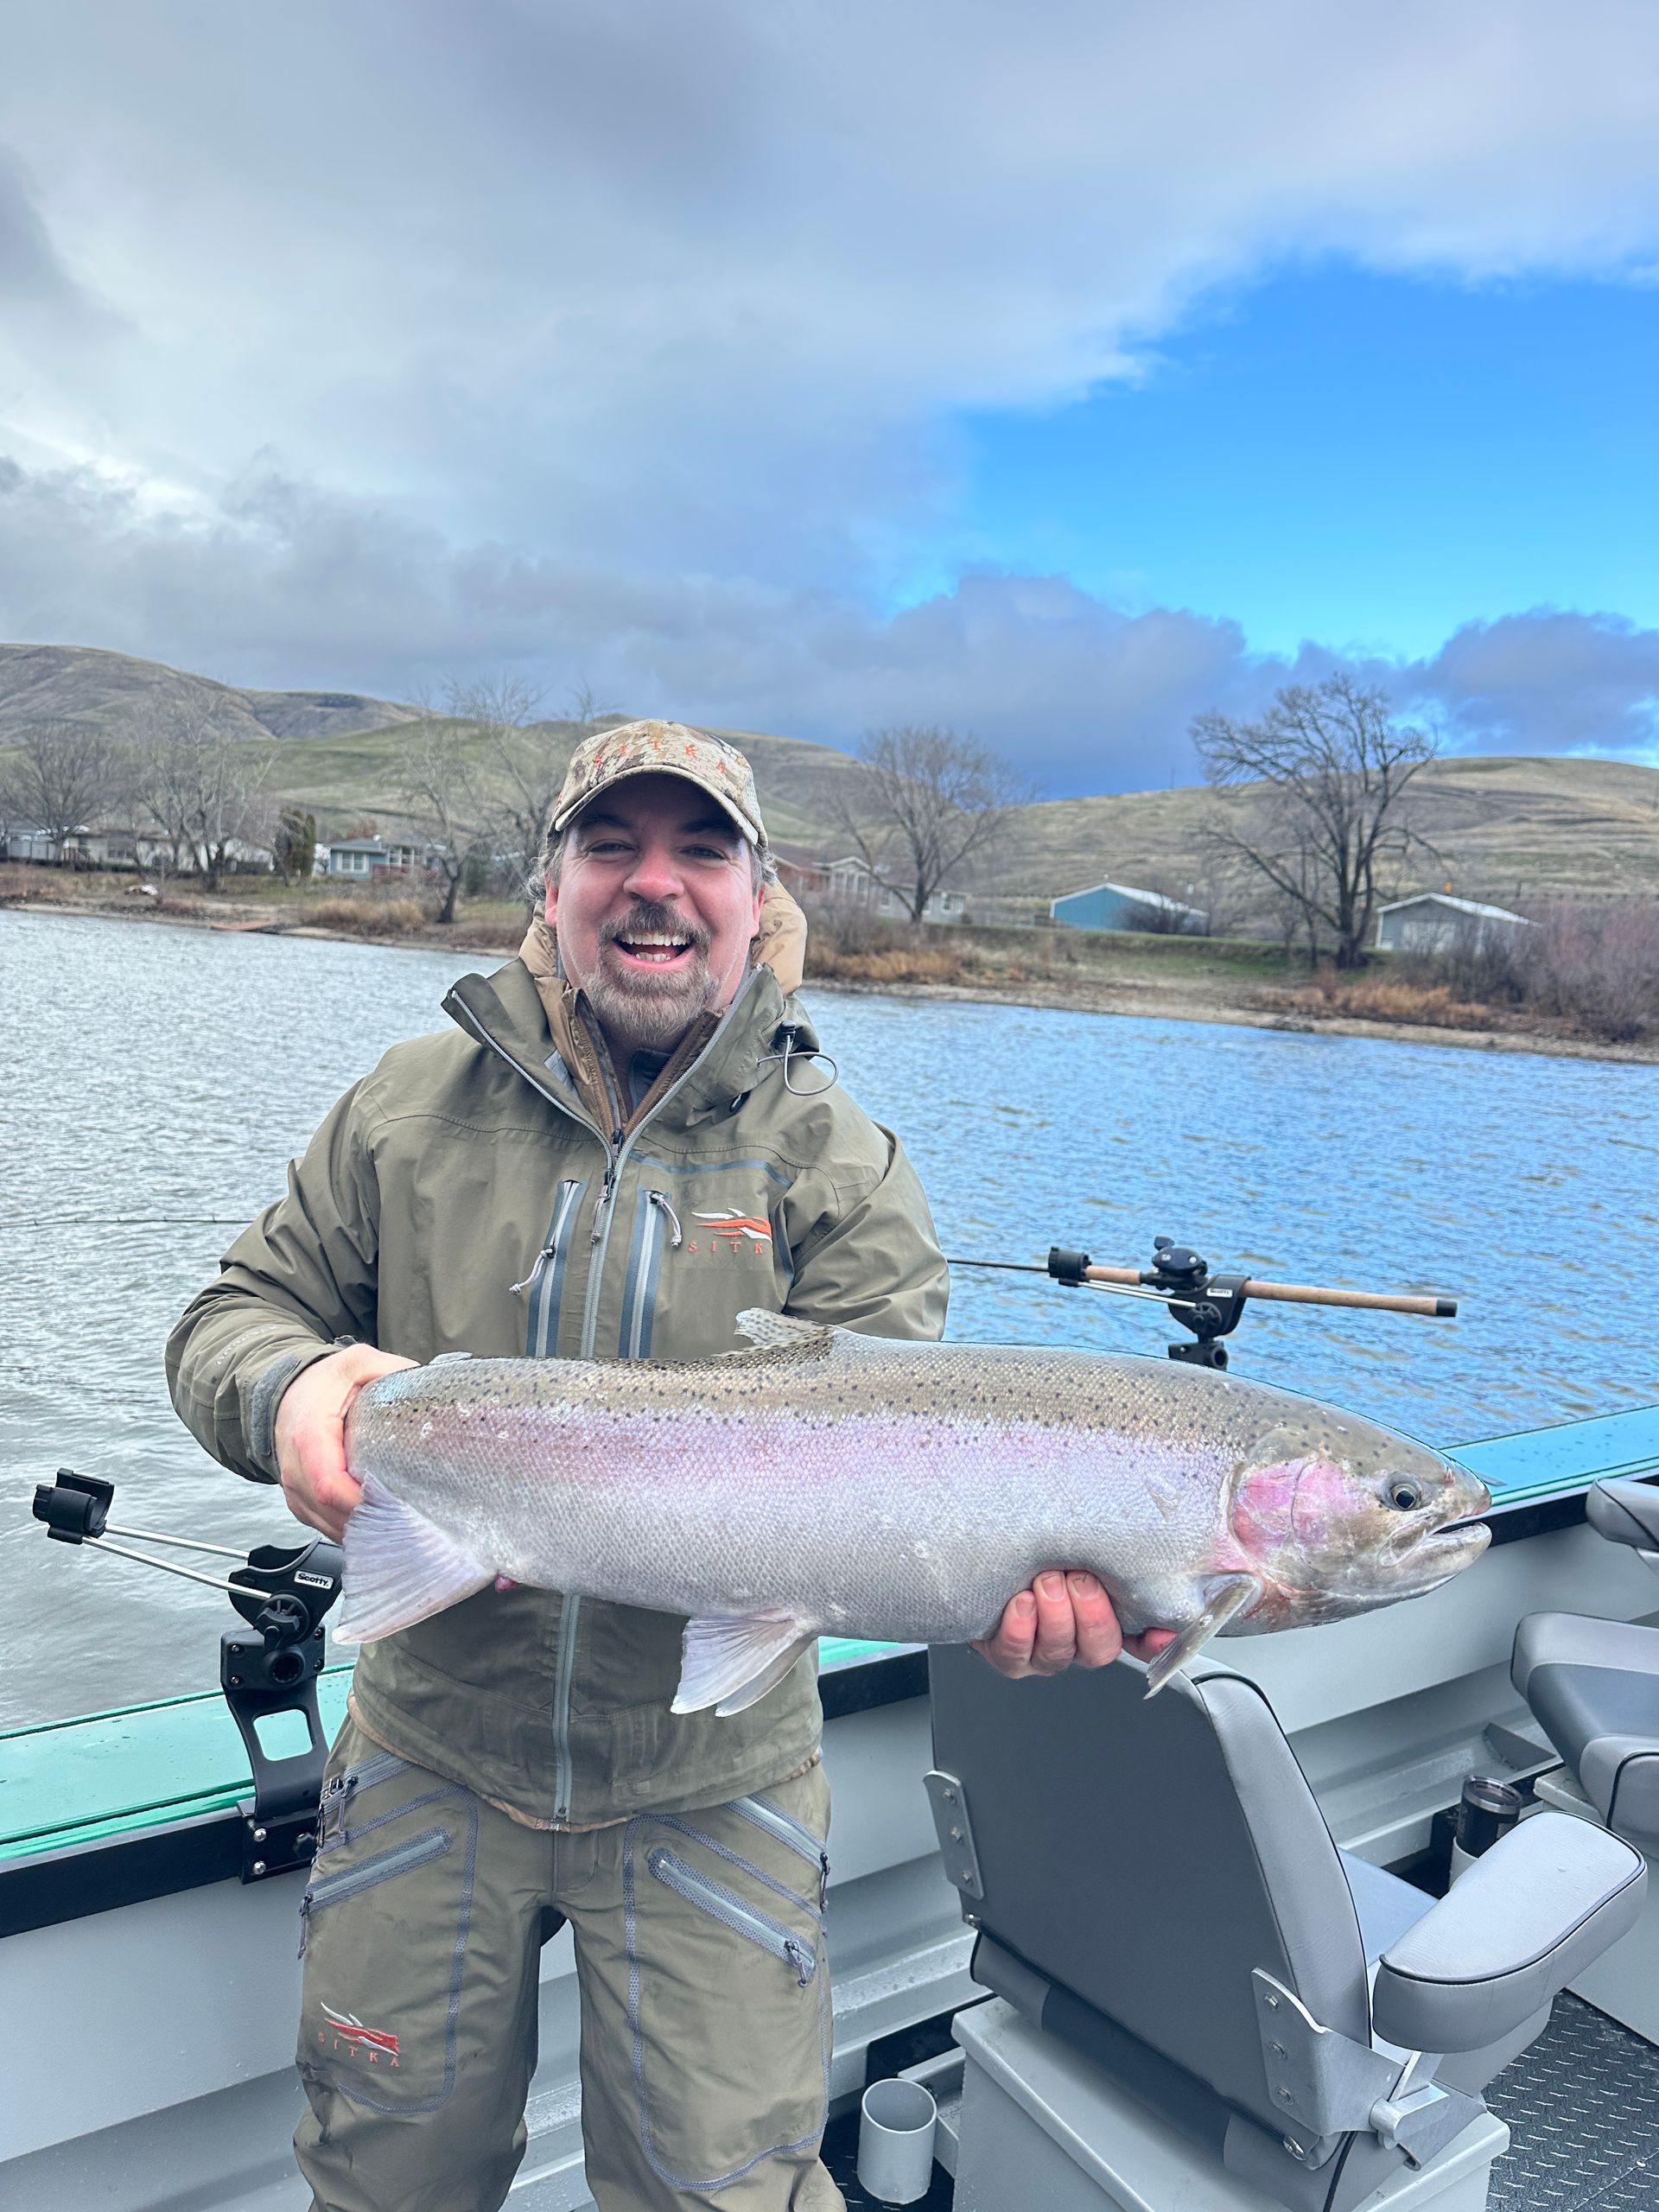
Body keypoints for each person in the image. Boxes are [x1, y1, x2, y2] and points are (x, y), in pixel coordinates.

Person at [166, 721, 1154, 2212]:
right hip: (429, 1753)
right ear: (551, 885)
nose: (656, 886)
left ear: (760, 898)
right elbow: (226, 1321)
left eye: (701, 851)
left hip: (715, 1780)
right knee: (381, 2186)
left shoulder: (846, 1168)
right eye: (612, 846)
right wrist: (290, 1387)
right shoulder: (401, 1107)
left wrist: (998, 1600)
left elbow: (907, 1492)